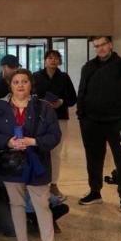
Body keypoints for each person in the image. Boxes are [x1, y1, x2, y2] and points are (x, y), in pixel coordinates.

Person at [0, 69, 64, 241]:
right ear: (10, 85)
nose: (20, 85)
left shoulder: (44, 108)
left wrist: (34, 141)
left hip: (37, 163)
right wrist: (7, 142)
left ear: (31, 84)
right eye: (16, 82)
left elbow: (55, 136)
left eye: (24, 81)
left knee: (42, 205)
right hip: (12, 164)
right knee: (16, 203)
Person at [76, 35, 121, 211]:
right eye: (96, 46)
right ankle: (95, 192)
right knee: (93, 158)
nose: (100, 48)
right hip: (92, 122)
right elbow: (82, 91)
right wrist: (81, 115)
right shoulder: (88, 67)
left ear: (110, 45)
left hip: (119, 121)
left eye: (103, 44)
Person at [32, 50, 77, 199]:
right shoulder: (36, 77)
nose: (53, 61)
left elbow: (72, 98)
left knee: (56, 153)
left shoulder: (64, 77)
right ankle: (39, 181)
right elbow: (30, 96)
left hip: (59, 118)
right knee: (39, 150)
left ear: (59, 61)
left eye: (56, 58)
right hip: (40, 119)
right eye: (50, 58)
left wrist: (61, 102)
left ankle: (53, 184)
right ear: (45, 60)